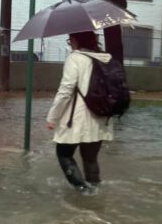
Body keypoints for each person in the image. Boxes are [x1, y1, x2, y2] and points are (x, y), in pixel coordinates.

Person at [46, 31, 113, 194]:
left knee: (64, 154)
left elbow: (66, 90)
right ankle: (95, 191)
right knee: (90, 158)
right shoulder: (106, 59)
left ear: (76, 40)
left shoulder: (75, 58)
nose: (70, 44)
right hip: (101, 116)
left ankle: (82, 191)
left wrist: (53, 117)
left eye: (70, 40)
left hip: (77, 117)